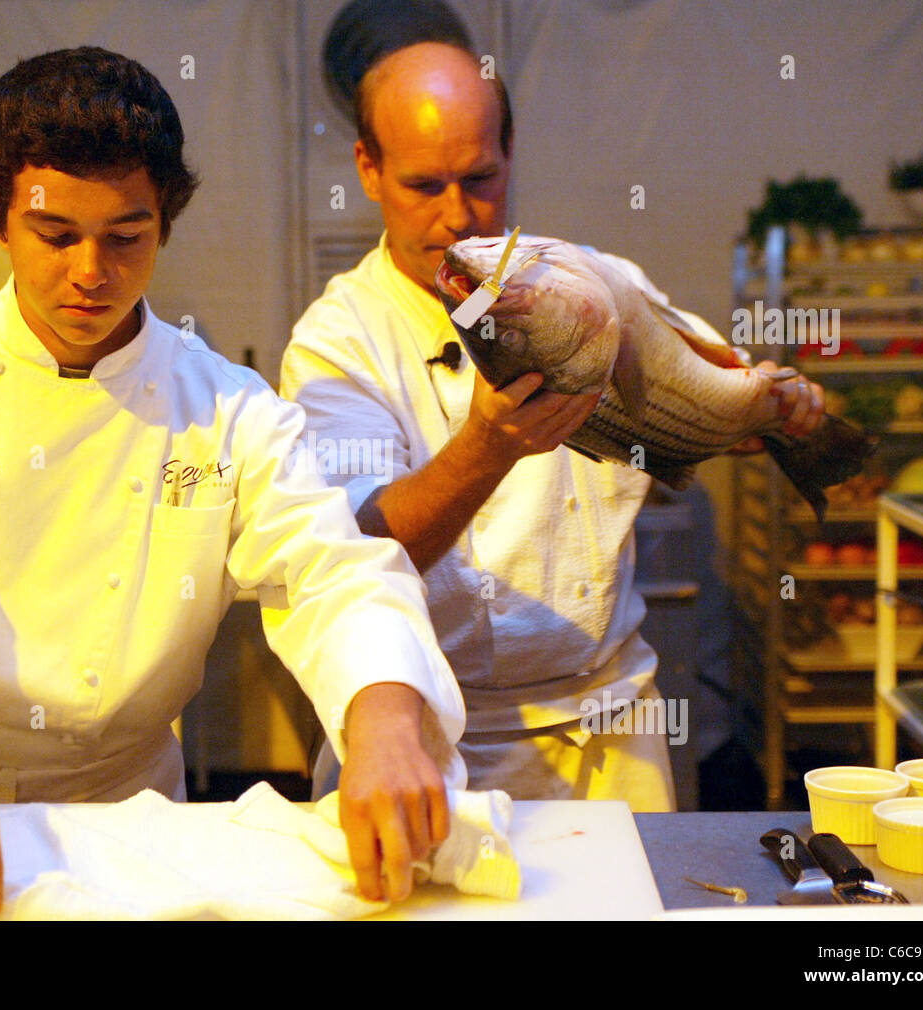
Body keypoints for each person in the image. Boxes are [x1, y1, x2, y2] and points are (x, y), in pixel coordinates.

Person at [0, 46, 467, 916]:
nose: (90, 272)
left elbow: (335, 571)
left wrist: (383, 719)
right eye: (56, 234)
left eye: (125, 237)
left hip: (137, 830)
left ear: (165, 224)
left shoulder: (224, 409)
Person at [280, 36, 824, 809]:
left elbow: (706, 391)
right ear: (367, 168)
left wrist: (776, 407)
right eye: (423, 185)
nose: (457, 214)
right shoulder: (336, 341)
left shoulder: (592, 282)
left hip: (609, 729)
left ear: (511, 152)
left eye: (480, 179)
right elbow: (354, 549)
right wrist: (488, 444)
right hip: (429, 734)